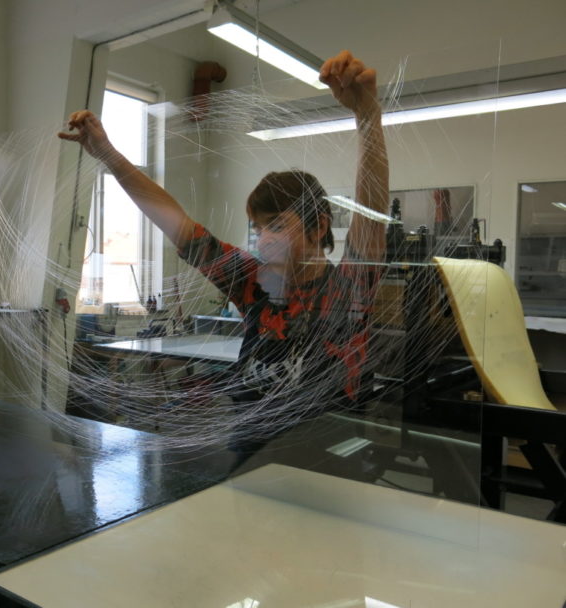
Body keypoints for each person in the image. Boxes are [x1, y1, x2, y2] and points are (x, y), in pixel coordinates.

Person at [59, 50, 388, 445]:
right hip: (252, 453)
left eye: (277, 225)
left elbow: (372, 213)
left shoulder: (349, 288)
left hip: (328, 459)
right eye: (258, 229)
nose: (264, 239)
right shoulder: (253, 283)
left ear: (319, 226)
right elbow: (177, 224)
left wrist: (367, 116)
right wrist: (108, 155)